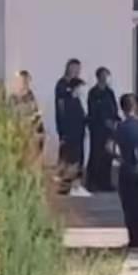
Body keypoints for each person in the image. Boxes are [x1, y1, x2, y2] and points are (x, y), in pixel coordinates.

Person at [116, 93, 138, 250]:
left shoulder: (120, 127)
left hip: (126, 168)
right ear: (135, 107)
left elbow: (110, 147)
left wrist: (119, 157)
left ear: (122, 108)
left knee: (128, 206)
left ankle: (133, 239)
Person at [86, 67, 120, 192]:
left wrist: (116, 120)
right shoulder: (93, 92)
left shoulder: (109, 92)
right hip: (97, 128)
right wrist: (104, 120)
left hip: (109, 129)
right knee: (96, 155)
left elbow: (114, 108)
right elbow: (93, 110)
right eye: (103, 75)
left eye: (107, 75)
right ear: (98, 77)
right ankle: (92, 182)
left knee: (108, 156)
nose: (105, 78)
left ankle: (105, 182)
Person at [55, 59, 84, 192]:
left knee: (77, 155)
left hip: (78, 127)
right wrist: (62, 129)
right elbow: (61, 108)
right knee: (67, 155)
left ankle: (76, 184)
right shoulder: (62, 85)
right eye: (74, 69)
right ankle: (64, 185)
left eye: (78, 69)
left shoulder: (76, 84)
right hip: (68, 127)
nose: (77, 72)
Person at [9, 70, 45, 153]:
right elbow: (12, 117)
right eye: (22, 81)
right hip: (18, 135)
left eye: (27, 81)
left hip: (31, 135)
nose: (25, 84)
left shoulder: (31, 96)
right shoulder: (13, 99)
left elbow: (36, 115)